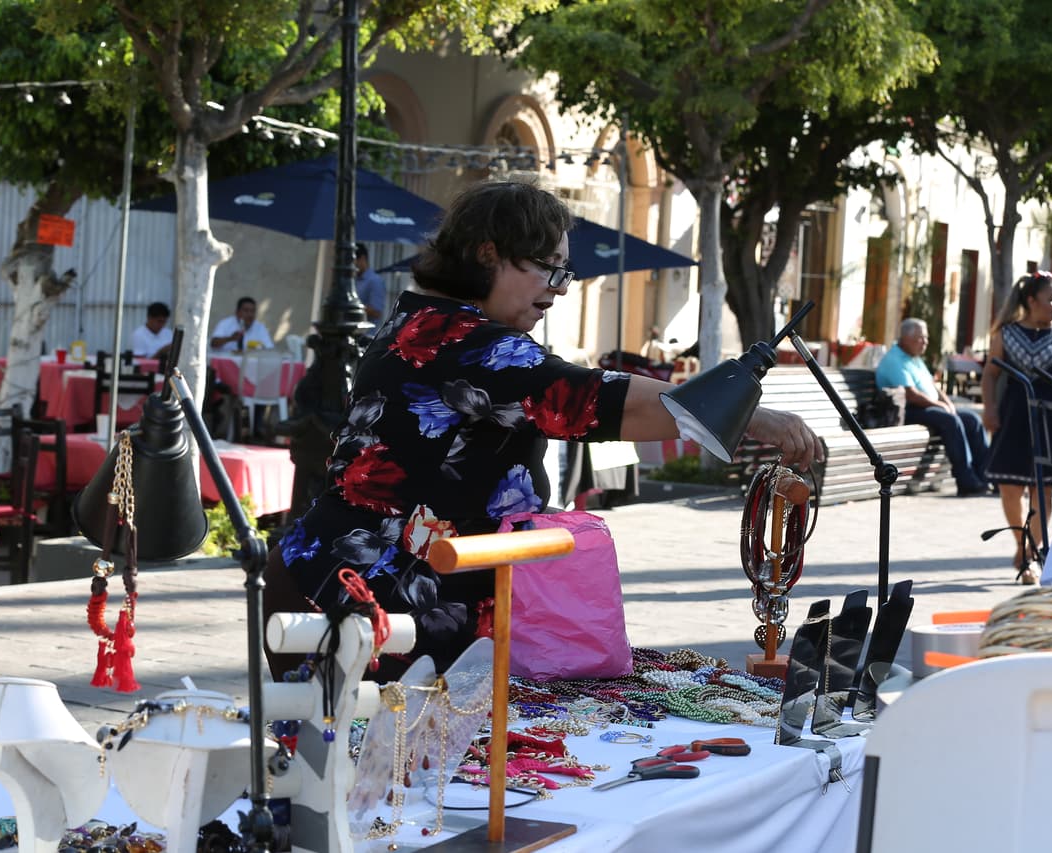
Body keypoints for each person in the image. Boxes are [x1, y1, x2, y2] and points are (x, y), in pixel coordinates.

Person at [261, 180, 821, 679]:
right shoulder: (467, 342)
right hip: (363, 599)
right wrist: (751, 415)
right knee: (378, 781)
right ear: (489, 255)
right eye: (548, 269)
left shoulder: (432, 323)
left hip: (350, 585)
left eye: (565, 274)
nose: (558, 288)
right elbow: (596, 399)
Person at [981, 272, 1052, 584]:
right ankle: (1021, 543)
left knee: (1041, 492)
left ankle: (1032, 554)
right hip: (1014, 417)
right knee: (1010, 488)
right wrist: (989, 408)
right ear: (1031, 301)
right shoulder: (1006, 334)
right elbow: (990, 374)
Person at [876, 318, 990, 496]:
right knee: (950, 421)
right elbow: (911, 395)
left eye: (926, 338)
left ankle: (985, 476)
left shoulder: (914, 358)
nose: (925, 342)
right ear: (906, 338)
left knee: (972, 420)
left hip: (927, 407)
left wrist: (948, 403)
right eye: (921, 338)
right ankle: (965, 479)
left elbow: (933, 386)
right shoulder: (895, 359)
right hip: (907, 410)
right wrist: (941, 405)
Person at [210, 296, 274, 352]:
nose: (250, 314)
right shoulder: (225, 324)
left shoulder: (260, 327)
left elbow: (269, 349)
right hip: (226, 363)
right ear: (237, 312)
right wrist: (230, 338)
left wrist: (259, 347)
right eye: (246, 310)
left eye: (253, 311)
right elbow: (213, 344)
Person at [354, 243, 387, 322]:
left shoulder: (375, 281)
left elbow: (376, 312)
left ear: (362, 258)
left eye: (353, 261)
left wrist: (352, 306)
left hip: (367, 333)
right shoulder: (354, 280)